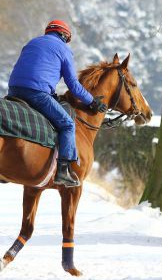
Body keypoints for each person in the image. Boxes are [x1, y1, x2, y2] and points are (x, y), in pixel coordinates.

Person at [8, 20, 107, 187]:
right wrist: (93, 101)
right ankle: (63, 170)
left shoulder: (32, 42)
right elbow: (74, 86)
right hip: (37, 94)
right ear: (64, 36)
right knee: (68, 124)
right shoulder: (63, 50)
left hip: (14, 90)